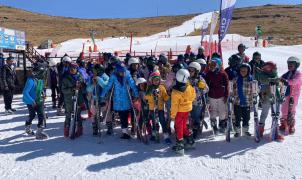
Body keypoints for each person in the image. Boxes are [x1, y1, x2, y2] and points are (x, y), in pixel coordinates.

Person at [100, 63, 139, 139]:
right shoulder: (113, 76)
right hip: (117, 100)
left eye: (123, 71)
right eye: (121, 72)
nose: (122, 73)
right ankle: (125, 132)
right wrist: (102, 95)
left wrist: (136, 94)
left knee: (125, 114)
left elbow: (132, 85)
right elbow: (108, 86)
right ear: (117, 71)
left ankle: (126, 130)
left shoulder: (127, 75)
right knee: (122, 116)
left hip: (126, 99)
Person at [171, 69, 196, 155]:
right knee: (184, 125)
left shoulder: (175, 92)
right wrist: (188, 103)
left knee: (179, 127)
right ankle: (190, 141)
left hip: (179, 111)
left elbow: (174, 105)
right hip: (187, 110)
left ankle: (180, 145)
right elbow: (193, 96)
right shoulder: (189, 87)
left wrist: (172, 116)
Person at [22, 62, 49, 139]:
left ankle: (39, 132)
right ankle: (28, 127)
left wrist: (43, 93)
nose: (43, 74)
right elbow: (25, 92)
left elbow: (40, 88)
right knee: (32, 115)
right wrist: (31, 101)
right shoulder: (30, 80)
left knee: (41, 115)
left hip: (39, 100)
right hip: (31, 101)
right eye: (43, 72)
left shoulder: (40, 80)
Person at [256, 61, 282, 139]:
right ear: (267, 69)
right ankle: (260, 128)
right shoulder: (262, 75)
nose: (275, 70)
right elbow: (265, 80)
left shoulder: (274, 74)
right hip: (266, 96)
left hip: (275, 96)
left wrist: (278, 81)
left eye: (275, 68)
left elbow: (278, 82)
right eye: (273, 69)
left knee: (275, 113)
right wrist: (274, 80)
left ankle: (275, 128)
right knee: (264, 112)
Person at [205, 58, 229, 134]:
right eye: (210, 65)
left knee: (222, 112)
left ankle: (222, 124)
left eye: (213, 65)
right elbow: (206, 85)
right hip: (212, 96)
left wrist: (226, 96)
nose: (211, 67)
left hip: (221, 96)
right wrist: (206, 95)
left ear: (218, 65)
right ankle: (214, 126)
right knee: (213, 112)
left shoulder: (223, 74)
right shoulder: (209, 74)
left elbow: (227, 85)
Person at [61, 62, 86, 138]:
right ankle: (66, 130)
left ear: (77, 69)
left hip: (78, 99)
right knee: (68, 114)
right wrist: (72, 89)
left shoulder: (80, 77)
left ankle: (79, 130)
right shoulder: (66, 78)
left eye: (74, 68)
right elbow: (63, 90)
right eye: (71, 68)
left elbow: (84, 88)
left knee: (78, 115)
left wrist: (82, 86)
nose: (72, 70)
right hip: (69, 100)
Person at [145, 71, 170, 143]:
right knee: (154, 121)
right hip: (152, 109)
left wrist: (168, 96)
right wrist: (151, 94)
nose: (156, 82)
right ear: (151, 81)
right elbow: (146, 97)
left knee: (162, 120)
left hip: (160, 108)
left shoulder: (161, 87)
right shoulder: (149, 88)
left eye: (157, 80)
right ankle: (155, 134)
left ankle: (166, 135)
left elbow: (165, 97)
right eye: (154, 80)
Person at [280, 57, 302, 135]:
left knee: (291, 109)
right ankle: (283, 123)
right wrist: (278, 79)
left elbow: (295, 81)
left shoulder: (298, 73)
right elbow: (281, 78)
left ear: (296, 66)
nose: (289, 66)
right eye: (288, 65)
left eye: (291, 65)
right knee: (283, 109)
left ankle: (291, 125)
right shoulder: (288, 73)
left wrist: (286, 81)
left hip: (294, 95)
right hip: (286, 93)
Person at [231, 63, 254, 137]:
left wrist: (257, 89)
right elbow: (231, 88)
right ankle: (237, 131)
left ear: (248, 71)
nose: (243, 72)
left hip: (247, 102)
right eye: (242, 70)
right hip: (237, 102)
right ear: (239, 71)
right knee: (237, 117)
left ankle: (245, 130)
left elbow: (255, 90)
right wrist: (230, 94)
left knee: (246, 117)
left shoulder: (251, 80)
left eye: (245, 71)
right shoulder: (236, 79)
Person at [188, 62, 208, 138]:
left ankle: (196, 130)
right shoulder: (186, 78)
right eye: (189, 70)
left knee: (196, 117)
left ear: (196, 71)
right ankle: (189, 130)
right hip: (188, 101)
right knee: (189, 117)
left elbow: (206, 89)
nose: (190, 72)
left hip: (197, 102)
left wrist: (202, 87)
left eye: (192, 70)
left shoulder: (200, 79)